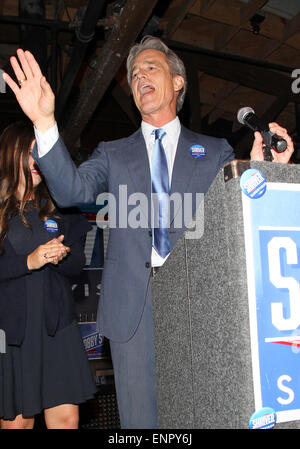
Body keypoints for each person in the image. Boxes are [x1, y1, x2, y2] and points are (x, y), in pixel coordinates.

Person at [3, 36, 294, 428]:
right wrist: (44, 122)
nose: (140, 76)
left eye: (151, 67)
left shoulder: (215, 151)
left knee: (200, 419)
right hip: (131, 315)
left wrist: (260, 172)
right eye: (134, 73)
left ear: (177, 82)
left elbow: (233, 222)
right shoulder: (111, 152)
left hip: (197, 310)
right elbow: (71, 190)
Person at [0, 121, 96, 429]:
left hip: (58, 325)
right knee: (19, 424)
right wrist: (29, 261)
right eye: (31, 152)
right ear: (11, 154)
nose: (38, 161)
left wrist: (60, 256)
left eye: (41, 153)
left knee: (67, 421)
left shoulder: (62, 206)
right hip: (14, 331)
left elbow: (78, 265)